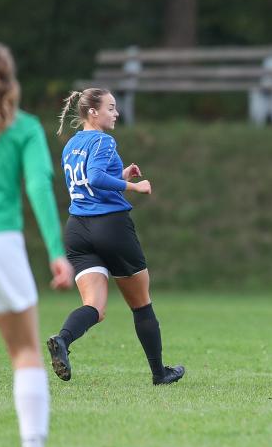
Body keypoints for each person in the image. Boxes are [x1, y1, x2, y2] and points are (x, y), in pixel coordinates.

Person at [47, 87, 184, 385]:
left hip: (77, 230)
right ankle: (160, 374)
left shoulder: (71, 145)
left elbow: (86, 183)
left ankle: (63, 340)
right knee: (141, 304)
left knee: (95, 307)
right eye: (110, 108)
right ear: (92, 112)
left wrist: (121, 175)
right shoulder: (104, 140)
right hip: (111, 227)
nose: (116, 113)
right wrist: (135, 186)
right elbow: (96, 177)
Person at [0, 42, 75, 447]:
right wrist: (57, 253)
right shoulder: (24, 129)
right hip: (3, 247)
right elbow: (39, 188)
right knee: (25, 350)